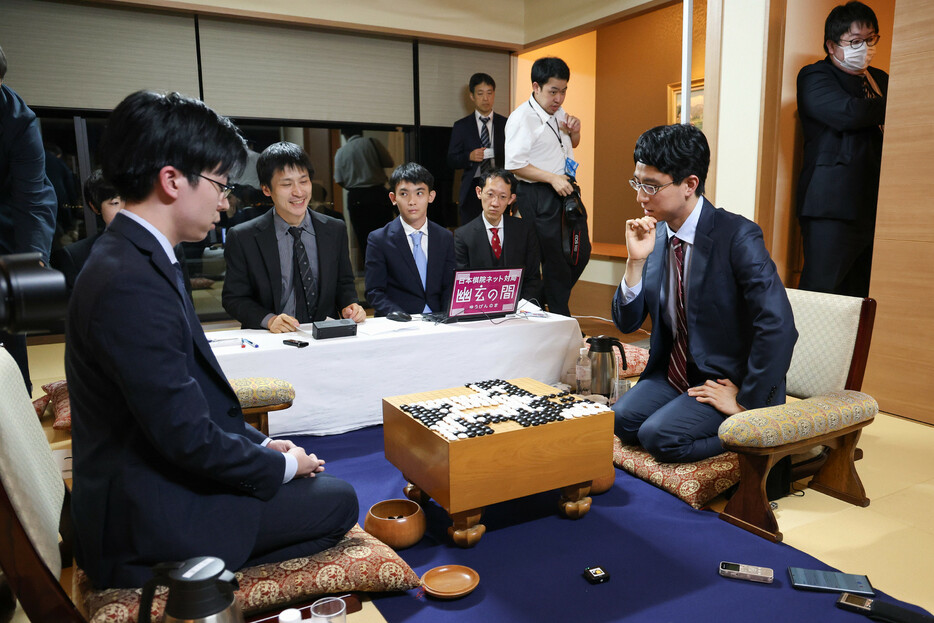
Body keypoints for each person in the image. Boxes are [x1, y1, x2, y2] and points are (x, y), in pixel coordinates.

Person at [66, 91, 358, 589]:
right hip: (146, 514)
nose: (226, 201)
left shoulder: (138, 254)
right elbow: (185, 436)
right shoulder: (128, 280)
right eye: (220, 183)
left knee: (323, 489)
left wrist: (263, 442)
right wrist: (279, 464)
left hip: (151, 478)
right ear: (171, 180)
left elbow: (191, 400)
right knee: (340, 501)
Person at [612, 124, 797, 463]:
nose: (640, 196)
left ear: (689, 184)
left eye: (651, 186)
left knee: (659, 437)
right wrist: (634, 263)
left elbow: (778, 324)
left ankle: (764, 438)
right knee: (622, 420)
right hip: (674, 373)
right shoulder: (656, 235)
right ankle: (681, 416)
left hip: (726, 380)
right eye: (637, 182)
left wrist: (746, 401)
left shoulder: (737, 236)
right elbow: (626, 323)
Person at [223, 141, 365, 333]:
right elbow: (234, 298)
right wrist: (269, 320)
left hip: (325, 338)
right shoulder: (243, 237)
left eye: (304, 181)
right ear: (266, 189)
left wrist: (350, 306)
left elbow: (344, 283)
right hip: (271, 339)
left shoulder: (334, 229)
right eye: (287, 184)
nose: (298, 192)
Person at [796, 1, 887, 298]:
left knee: (860, 298)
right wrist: (895, 104)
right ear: (832, 46)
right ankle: (804, 347)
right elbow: (848, 113)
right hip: (831, 207)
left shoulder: (881, 79)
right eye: (856, 41)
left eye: (871, 39)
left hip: (876, 205)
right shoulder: (815, 76)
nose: (866, 47)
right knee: (821, 294)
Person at [504, 56, 589, 317]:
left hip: (565, 191)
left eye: (564, 91)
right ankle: (561, 318)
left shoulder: (558, 112)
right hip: (538, 193)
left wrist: (575, 131)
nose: (559, 98)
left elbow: (569, 145)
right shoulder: (522, 118)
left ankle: (536, 304)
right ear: (536, 87)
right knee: (556, 261)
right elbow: (514, 164)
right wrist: (551, 178)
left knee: (580, 252)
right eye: (553, 91)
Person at [0, 44, 57, 394]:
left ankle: (17, 403)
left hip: (6, 220)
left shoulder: (18, 120)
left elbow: (32, 197)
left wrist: (31, 262)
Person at [365, 162, 455, 316]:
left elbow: (450, 286)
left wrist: (447, 316)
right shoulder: (378, 239)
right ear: (393, 198)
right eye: (404, 194)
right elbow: (374, 291)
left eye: (419, 193)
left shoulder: (444, 237)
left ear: (431, 196)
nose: (412, 201)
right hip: (398, 322)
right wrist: (399, 315)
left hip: (439, 320)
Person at [453, 168, 542, 303]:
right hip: (479, 309)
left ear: (511, 199)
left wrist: (522, 307)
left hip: (519, 309)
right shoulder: (463, 236)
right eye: (490, 194)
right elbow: (462, 283)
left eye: (502, 197)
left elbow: (532, 278)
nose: (495, 203)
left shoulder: (525, 230)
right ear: (479, 192)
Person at [447, 73, 507, 226]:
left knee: (499, 231)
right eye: (480, 94)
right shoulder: (461, 126)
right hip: (473, 186)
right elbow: (451, 159)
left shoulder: (506, 123)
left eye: (489, 93)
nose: (485, 98)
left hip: (500, 185)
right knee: (472, 233)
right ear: (472, 96)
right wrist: (469, 156)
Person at [50, 170, 124, 292]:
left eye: (130, 201)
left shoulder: (159, 243)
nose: (124, 209)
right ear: (95, 207)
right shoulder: (75, 257)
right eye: (114, 203)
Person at [333, 129, 395, 263]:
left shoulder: (341, 152)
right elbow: (389, 162)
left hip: (356, 198)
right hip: (378, 195)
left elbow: (339, 179)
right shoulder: (372, 143)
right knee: (386, 238)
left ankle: (372, 275)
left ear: (343, 134)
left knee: (364, 241)